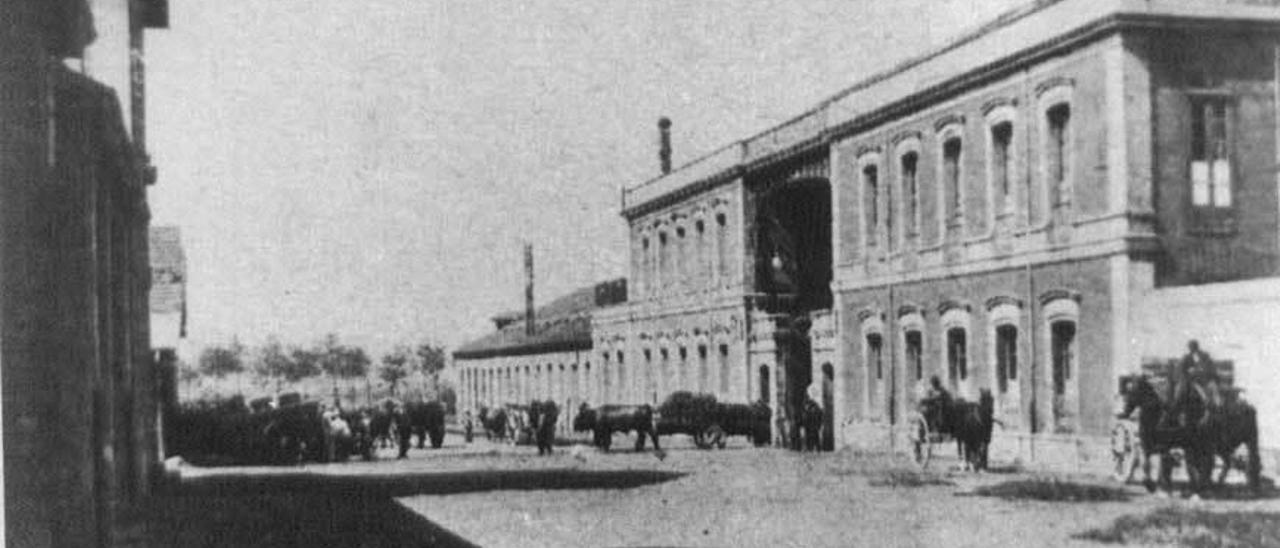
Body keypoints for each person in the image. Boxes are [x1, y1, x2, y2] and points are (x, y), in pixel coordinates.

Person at [1169, 340, 1221, 428]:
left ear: (1197, 347)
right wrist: (1189, 372)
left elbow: (1210, 368)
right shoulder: (1186, 357)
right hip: (1191, 381)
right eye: (1191, 348)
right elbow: (1181, 369)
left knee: (1210, 391)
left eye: (1193, 347)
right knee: (1180, 389)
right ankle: (1176, 409)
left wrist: (1200, 371)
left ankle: (1213, 408)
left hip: (1203, 381)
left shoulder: (1204, 356)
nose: (1192, 349)